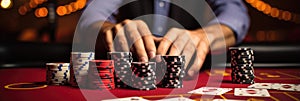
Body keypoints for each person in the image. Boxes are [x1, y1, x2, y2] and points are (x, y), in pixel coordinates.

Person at [77, 0, 250, 77]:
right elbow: (90, 17)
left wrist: (204, 37)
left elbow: (236, 14)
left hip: (191, 71)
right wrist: (107, 30)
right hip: (130, 72)